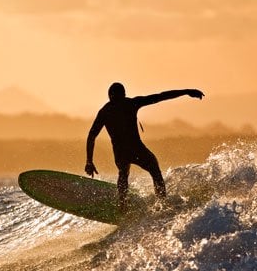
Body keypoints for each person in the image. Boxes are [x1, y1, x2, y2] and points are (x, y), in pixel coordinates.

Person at [85, 82, 204, 211]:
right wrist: (186, 91)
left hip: (120, 152)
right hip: (136, 149)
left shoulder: (105, 111)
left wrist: (89, 161)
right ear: (123, 94)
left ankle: (123, 206)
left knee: (123, 172)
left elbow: (92, 136)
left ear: (110, 96)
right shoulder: (130, 103)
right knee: (155, 171)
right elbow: (160, 96)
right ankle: (162, 204)